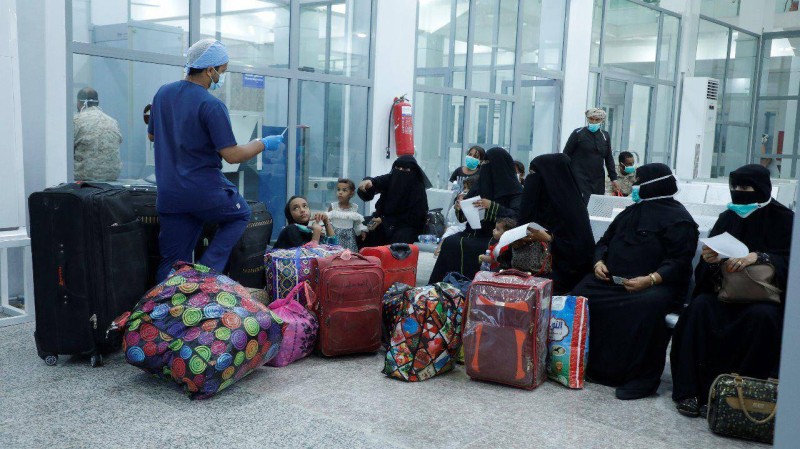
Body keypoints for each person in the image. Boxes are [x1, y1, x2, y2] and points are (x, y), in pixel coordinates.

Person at [147, 39, 282, 281]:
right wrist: (263, 143)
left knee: (171, 262)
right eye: (223, 70)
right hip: (203, 191)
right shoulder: (211, 105)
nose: (222, 76)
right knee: (241, 214)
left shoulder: (163, 93)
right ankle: (205, 275)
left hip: (170, 193)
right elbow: (232, 155)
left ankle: (164, 302)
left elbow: (152, 135)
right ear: (210, 70)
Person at [670, 164, 793, 418]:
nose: (739, 192)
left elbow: (792, 261)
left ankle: (736, 395)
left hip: (764, 297)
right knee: (699, 309)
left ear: (761, 188)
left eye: (745, 187)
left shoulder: (785, 220)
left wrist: (759, 257)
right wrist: (710, 260)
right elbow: (708, 266)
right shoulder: (728, 217)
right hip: (725, 292)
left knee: (763, 318)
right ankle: (692, 391)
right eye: (735, 187)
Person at [571, 163, 699, 400]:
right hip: (613, 281)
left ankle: (639, 379)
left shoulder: (679, 219)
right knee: (581, 294)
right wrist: (598, 262)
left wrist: (651, 279)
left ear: (654, 185)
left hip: (656, 285)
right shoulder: (630, 212)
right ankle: (591, 366)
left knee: (644, 308)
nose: (634, 185)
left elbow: (680, 260)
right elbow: (604, 241)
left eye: (638, 180)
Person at [428, 147, 522, 283]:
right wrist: (460, 207)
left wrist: (492, 206)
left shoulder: (515, 191)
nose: (485, 166)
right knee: (450, 242)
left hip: (496, 236)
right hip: (472, 232)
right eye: (484, 163)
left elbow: (516, 217)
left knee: (479, 247)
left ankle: (471, 285)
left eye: (488, 163)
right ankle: (445, 285)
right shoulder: (480, 185)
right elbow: (464, 217)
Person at [518, 154, 595, 294]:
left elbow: (581, 251)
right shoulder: (538, 204)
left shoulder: (572, 209)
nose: (531, 178)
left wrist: (549, 238)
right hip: (529, 267)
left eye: (534, 173)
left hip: (563, 274)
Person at [358, 155, 431, 246]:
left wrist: (385, 220)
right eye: (397, 168)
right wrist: (369, 182)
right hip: (382, 220)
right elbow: (377, 181)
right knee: (360, 226)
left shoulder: (418, 188)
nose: (400, 171)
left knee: (399, 240)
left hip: (406, 225)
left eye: (405, 169)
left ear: (413, 171)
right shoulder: (391, 178)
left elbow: (416, 217)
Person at [563, 108, 618, 204]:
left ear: (602, 121)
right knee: (582, 202)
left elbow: (609, 157)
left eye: (597, 119)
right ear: (588, 119)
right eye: (591, 119)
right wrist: (564, 174)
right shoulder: (578, 133)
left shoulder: (605, 136)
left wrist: (613, 178)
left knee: (597, 203)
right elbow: (566, 154)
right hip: (579, 175)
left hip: (598, 177)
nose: (594, 122)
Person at [73, 87, 123, 181]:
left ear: (79, 102)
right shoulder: (112, 121)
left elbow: (66, 151)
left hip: (83, 178)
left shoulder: (76, 121)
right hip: (112, 177)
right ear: (98, 102)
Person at [434, 175, 477, 257]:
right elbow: (451, 223)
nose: (465, 191)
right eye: (464, 188)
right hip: (457, 230)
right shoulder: (458, 203)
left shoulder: (479, 205)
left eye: (468, 188)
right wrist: (458, 209)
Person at [274, 196, 338, 249]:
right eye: (296, 208)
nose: (302, 210)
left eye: (305, 206)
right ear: (289, 215)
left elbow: (334, 247)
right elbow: (307, 256)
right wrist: (317, 231)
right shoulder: (290, 229)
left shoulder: (307, 230)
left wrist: (326, 220)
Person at [327, 178, 368, 252]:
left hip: (349, 238)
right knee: (336, 253)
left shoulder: (354, 207)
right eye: (338, 190)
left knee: (349, 254)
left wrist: (361, 230)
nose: (340, 192)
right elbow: (327, 221)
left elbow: (357, 222)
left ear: (351, 194)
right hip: (335, 236)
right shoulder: (333, 206)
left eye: (344, 190)